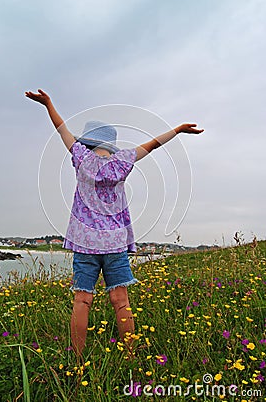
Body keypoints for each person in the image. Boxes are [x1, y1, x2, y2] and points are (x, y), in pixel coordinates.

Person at [25, 88, 204, 357]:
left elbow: (61, 129)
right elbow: (154, 144)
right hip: (115, 243)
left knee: (82, 299)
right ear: (111, 143)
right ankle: (130, 354)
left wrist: (48, 103)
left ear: (87, 142)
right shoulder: (123, 161)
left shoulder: (81, 158)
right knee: (121, 299)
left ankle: (77, 358)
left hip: (85, 244)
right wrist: (177, 130)